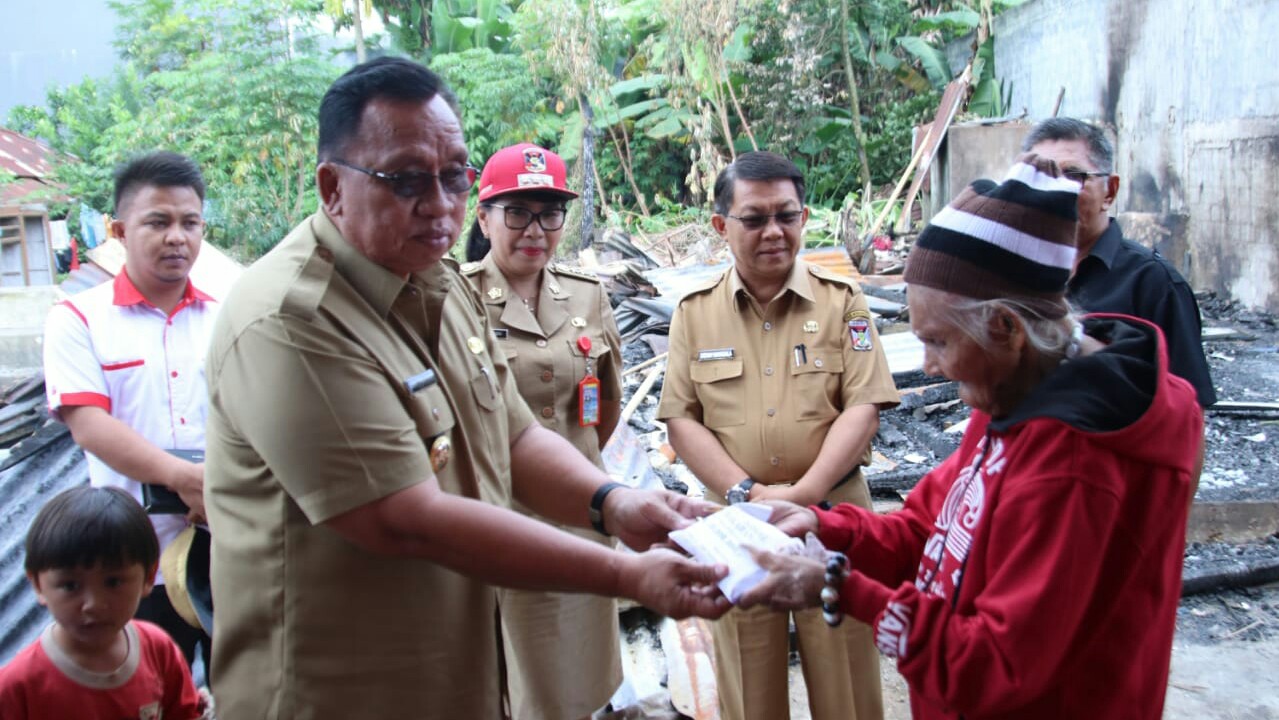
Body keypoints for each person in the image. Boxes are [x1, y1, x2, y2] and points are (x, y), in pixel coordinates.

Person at [203, 56, 729, 719]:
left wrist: (613, 504)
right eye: (405, 180)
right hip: (338, 690)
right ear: (332, 187)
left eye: (454, 175)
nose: (442, 205)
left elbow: (512, 434)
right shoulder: (289, 321)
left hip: (459, 672)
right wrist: (625, 573)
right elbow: (406, 521)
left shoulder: (440, 285)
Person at [740, 154, 1203, 719]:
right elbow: (929, 531)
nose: (930, 365)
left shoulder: (1074, 467)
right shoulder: (1012, 395)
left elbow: (994, 666)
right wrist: (826, 526)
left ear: (1007, 330)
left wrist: (841, 586)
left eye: (937, 341)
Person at [657, 151, 900, 720]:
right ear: (721, 225)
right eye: (754, 218)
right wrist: (744, 493)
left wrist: (803, 496)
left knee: (846, 674)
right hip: (735, 528)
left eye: (786, 216)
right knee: (747, 672)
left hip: (835, 516)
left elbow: (864, 405)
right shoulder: (694, 314)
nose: (774, 232)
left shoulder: (844, 302)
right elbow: (681, 419)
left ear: (804, 217)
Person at [460, 143, 625, 720]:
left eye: (550, 212)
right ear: (482, 217)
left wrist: (574, 477)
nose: (535, 229)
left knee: (579, 680)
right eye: (517, 212)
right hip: (498, 518)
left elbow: (603, 409)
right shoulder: (457, 297)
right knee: (507, 680)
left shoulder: (586, 295)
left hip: (582, 513)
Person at [42, 150, 215, 669]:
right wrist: (185, 478)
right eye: (157, 222)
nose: (177, 237)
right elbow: (89, 426)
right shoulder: (77, 319)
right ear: (118, 230)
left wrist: (218, 485)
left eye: (190, 223)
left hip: (228, 542)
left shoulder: (228, 315)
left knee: (245, 690)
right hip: (132, 566)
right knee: (143, 692)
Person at [1022, 117, 1216, 407]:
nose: (1055, 191)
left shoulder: (1154, 284)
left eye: (1073, 176)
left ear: (1109, 191)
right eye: (1041, 177)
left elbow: (1188, 412)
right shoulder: (1018, 275)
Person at [0, 486, 203, 719]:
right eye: (70, 586)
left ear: (148, 577)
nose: (94, 604)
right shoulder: (18, 685)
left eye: (113, 582)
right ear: (37, 585)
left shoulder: (158, 650)